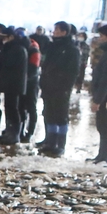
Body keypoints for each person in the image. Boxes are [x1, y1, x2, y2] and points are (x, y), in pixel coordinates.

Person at [37, 21, 80, 157]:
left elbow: (73, 71)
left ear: (64, 32)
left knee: (60, 116)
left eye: (57, 29)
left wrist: (66, 87)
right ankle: (50, 141)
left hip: (61, 88)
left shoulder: (71, 49)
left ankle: (60, 144)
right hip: (48, 86)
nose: (54, 31)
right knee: (49, 114)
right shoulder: (52, 46)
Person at [86, 25, 107, 163]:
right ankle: (101, 155)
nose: (99, 39)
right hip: (103, 94)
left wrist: (98, 100)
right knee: (101, 125)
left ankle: (105, 156)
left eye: (102, 36)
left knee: (104, 125)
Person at [0, 26, 28, 145]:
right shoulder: (12, 48)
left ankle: (15, 134)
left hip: (14, 84)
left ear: (11, 37)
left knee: (13, 108)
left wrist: (0, 53)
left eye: (5, 38)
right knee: (8, 108)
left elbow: (8, 62)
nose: (3, 40)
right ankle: (9, 131)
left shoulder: (17, 49)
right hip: (10, 83)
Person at [19, 30, 41, 142]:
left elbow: (34, 68)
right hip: (23, 82)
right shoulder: (24, 47)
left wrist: (24, 79)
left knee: (31, 107)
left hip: (31, 83)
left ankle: (29, 132)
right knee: (21, 107)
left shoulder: (33, 49)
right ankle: (20, 130)